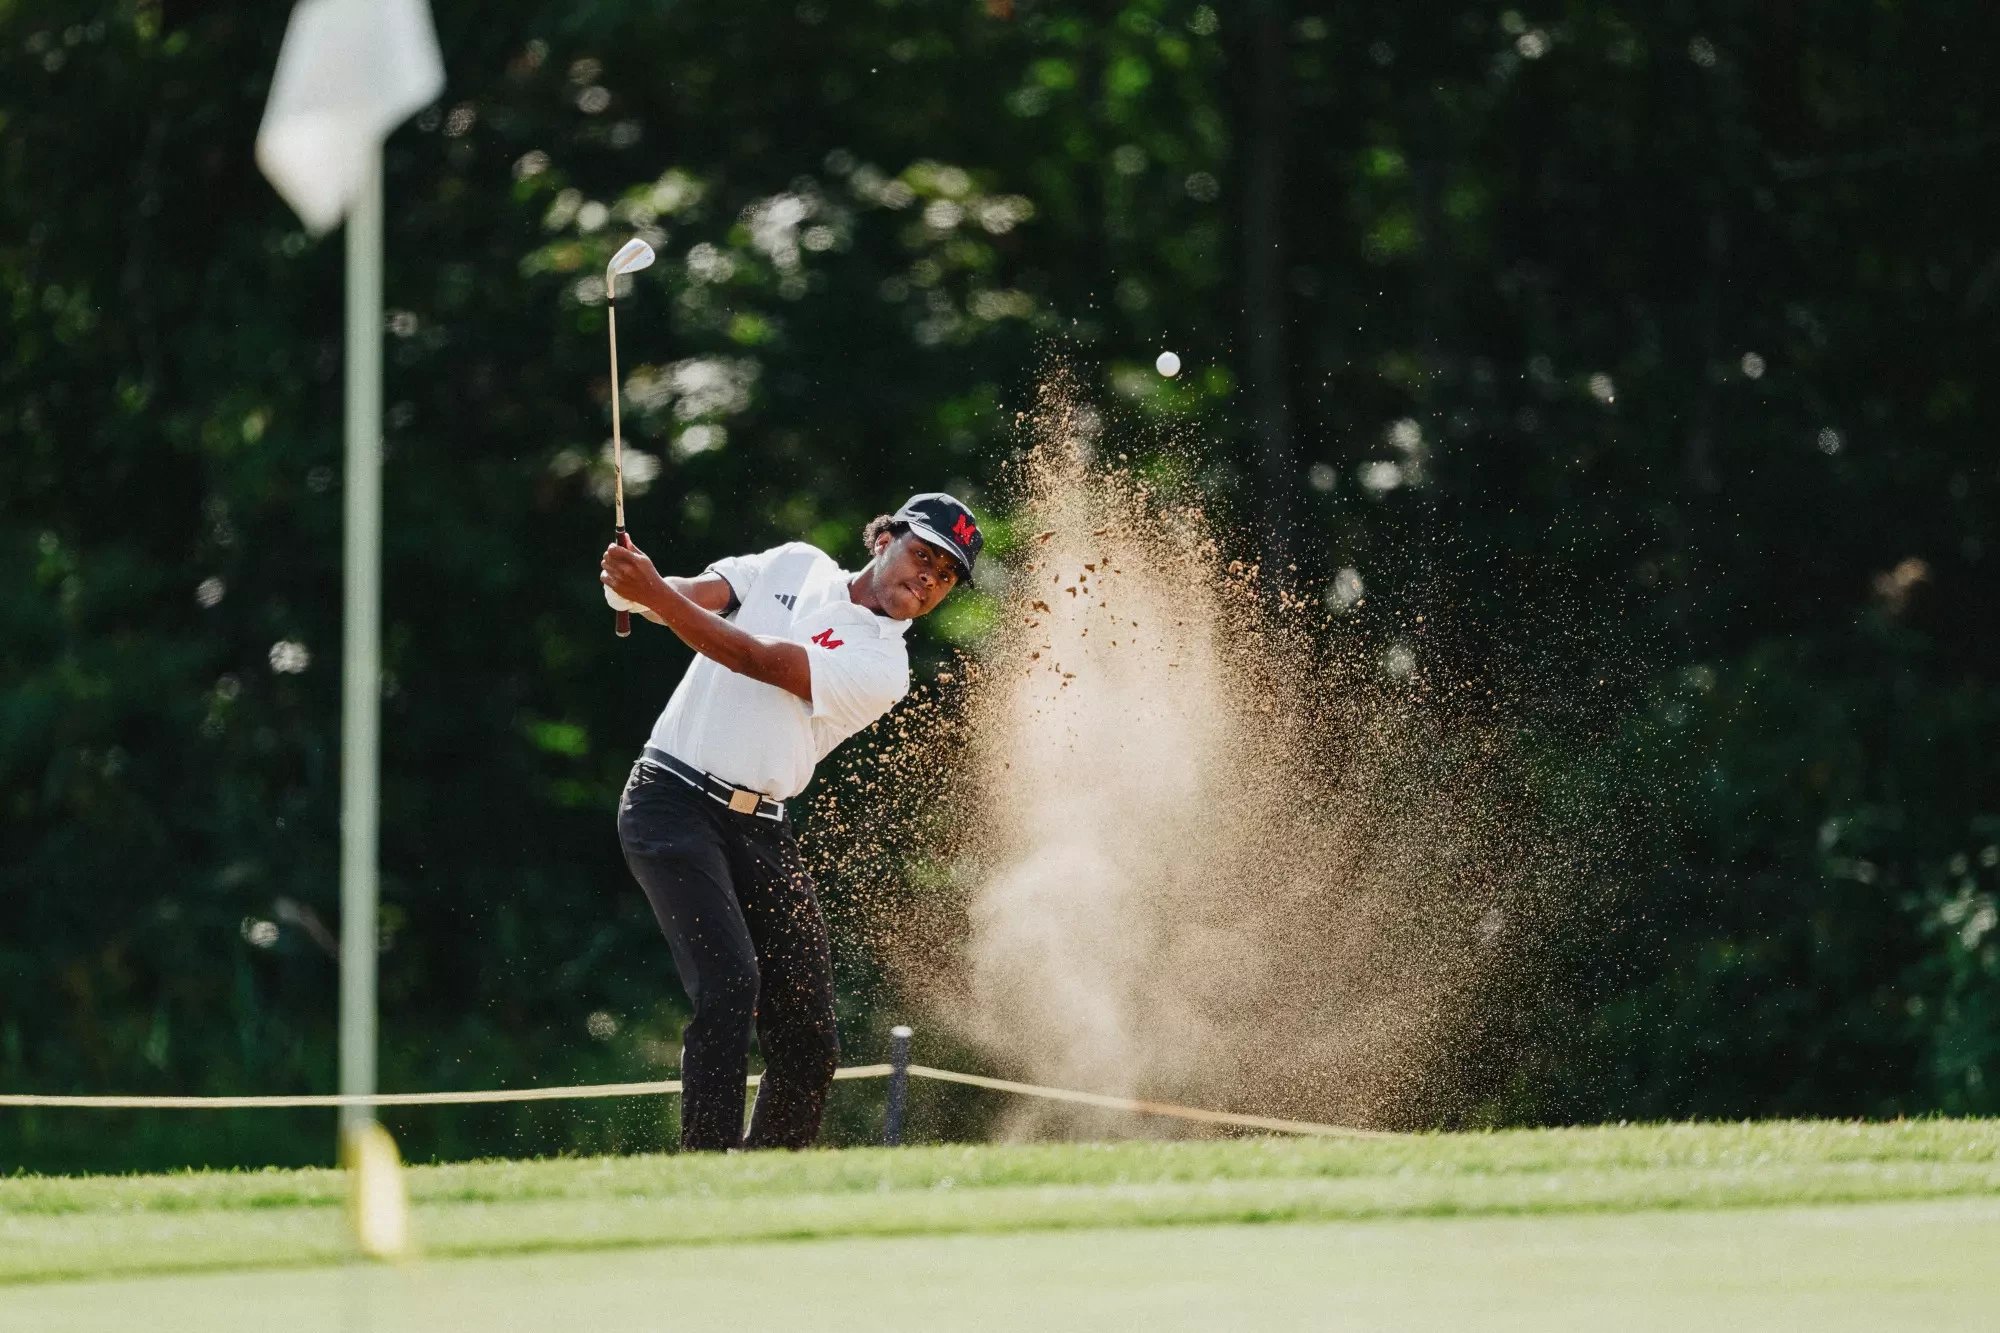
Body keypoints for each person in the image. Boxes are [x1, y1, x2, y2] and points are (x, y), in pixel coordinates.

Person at [597, 493, 982, 1151]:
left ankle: (769, 1178)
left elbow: (756, 660)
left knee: (808, 1031)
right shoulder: (794, 563)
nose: (927, 579)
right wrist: (629, 589)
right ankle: (707, 1171)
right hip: (670, 801)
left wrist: (654, 595)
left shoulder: (885, 666)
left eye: (944, 576)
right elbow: (699, 595)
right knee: (729, 981)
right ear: (883, 536)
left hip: (760, 827)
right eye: (922, 555)